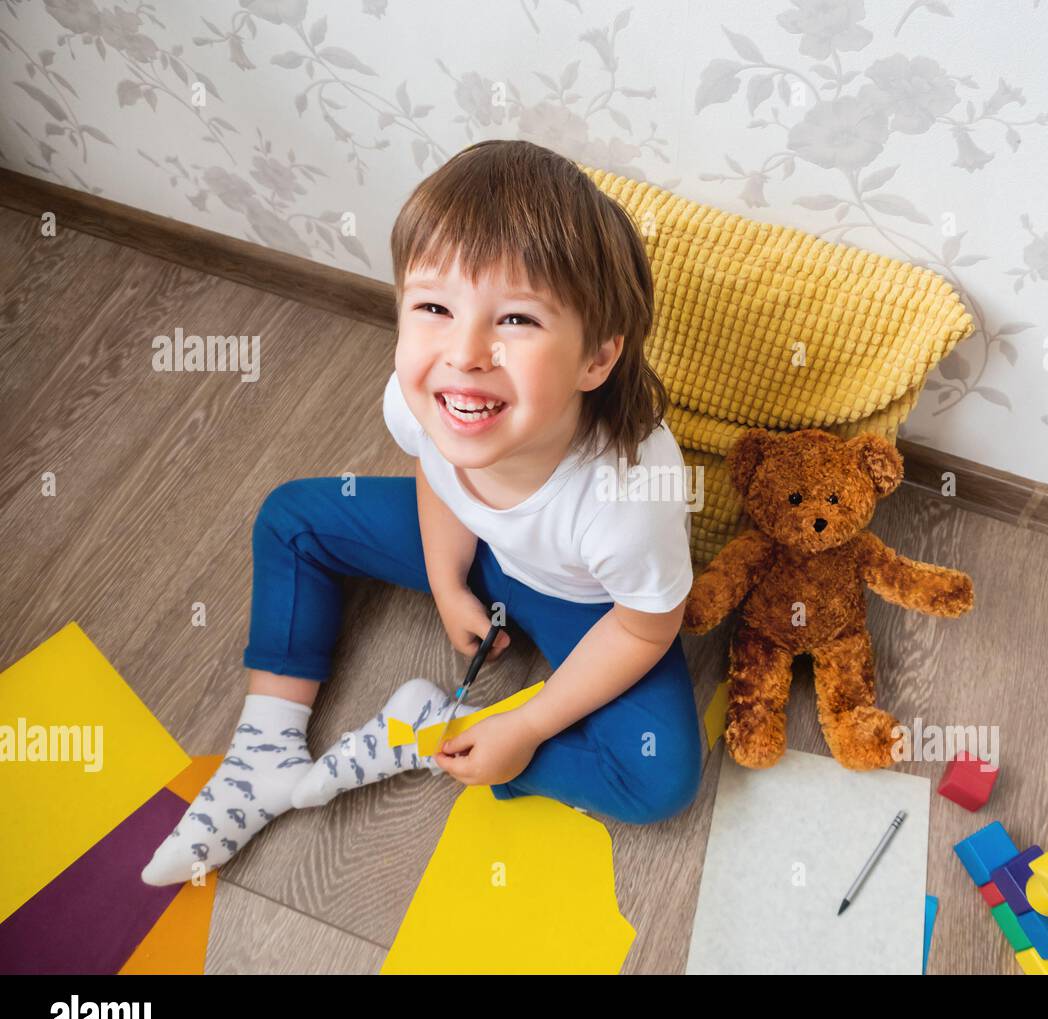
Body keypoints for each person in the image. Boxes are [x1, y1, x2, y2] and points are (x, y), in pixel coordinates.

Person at [141, 139, 701, 886]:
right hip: (480, 546)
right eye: (434, 306)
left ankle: (433, 731)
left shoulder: (631, 493)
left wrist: (523, 728)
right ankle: (262, 756)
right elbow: (437, 469)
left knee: (660, 779)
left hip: (589, 604)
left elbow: (646, 625)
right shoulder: (432, 393)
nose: (464, 352)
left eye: (518, 321)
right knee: (292, 517)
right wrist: (445, 578)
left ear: (595, 359)